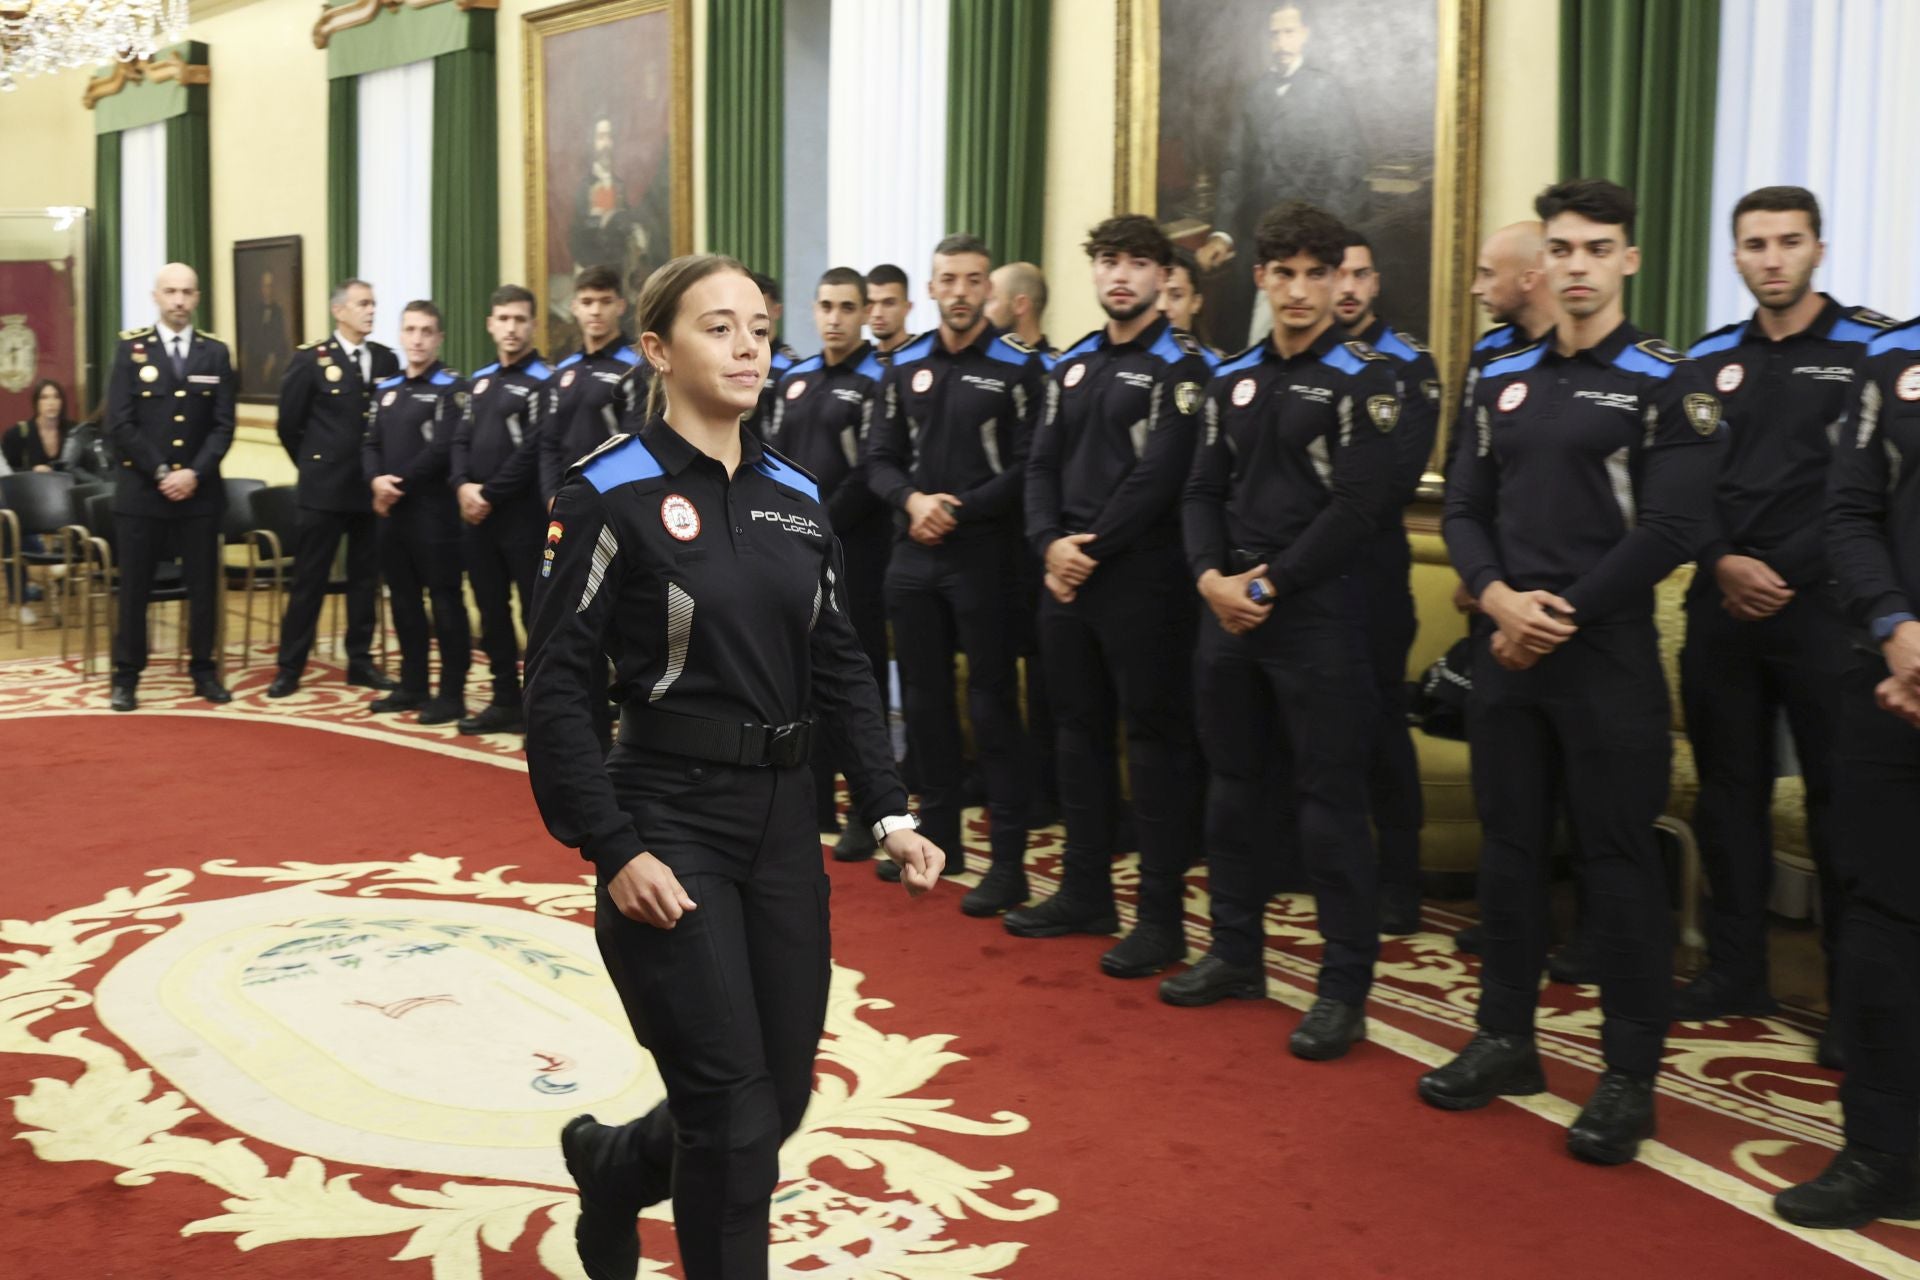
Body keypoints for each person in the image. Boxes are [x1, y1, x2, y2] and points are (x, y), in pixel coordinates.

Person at [523, 254, 945, 1280]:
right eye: (719, 327)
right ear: (659, 351)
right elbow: (556, 686)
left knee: (780, 1096)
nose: (750, 343)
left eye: (759, 324)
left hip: (782, 820)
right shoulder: (609, 492)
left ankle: (615, 1165)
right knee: (728, 1111)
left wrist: (890, 812)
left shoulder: (797, 495)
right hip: (668, 814)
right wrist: (611, 845)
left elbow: (839, 661)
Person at [1424, 178, 1724, 1164]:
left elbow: (1677, 526)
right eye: (1563, 248)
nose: (1580, 265)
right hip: (1508, 652)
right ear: (1543, 259)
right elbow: (1463, 505)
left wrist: (1558, 612)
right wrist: (1497, 596)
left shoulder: (1667, 379)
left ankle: (1629, 1075)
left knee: (1617, 865)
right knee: (1509, 855)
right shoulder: (1501, 369)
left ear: (1629, 260)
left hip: (1605, 659)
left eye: (1599, 248)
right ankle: (1505, 1038)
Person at [1169, 200, 1398, 1063]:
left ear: (1341, 280)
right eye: (1285, 274)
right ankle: (1235, 953)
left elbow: (1360, 508)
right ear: (1261, 279)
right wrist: (1210, 579)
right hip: (1229, 609)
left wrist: (1269, 581)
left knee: (1329, 805)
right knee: (1230, 790)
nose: (1300, 291)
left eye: (1318, 274)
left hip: (1318, 616)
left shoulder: (1364, 381)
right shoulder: (1233, 379)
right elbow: (1200, 490)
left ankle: (1344, 989)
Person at [1678, 187, 1893, 1054]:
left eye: (1788, 242)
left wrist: (1784, 573)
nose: (1772, 258)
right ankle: (1735, 967)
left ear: (1820, 250)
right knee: (1730, 797)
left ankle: (1851, 997)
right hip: (1720, 604)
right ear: (1733, 256)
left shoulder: (1870, 348)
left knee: (1843, 807)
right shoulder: (1703, 357)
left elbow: (1866, 488)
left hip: (1825, 614)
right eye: (1755, 244)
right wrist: (1725, 562)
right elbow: (1680, 484)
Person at [1009, 214, 1211, 978]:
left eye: (1135, 263)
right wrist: (1046, 544)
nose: (1119, 275)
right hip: (1065, 577)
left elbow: (1160, 476)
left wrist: (1085, 549)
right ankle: (1085, 890)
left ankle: (1159, 919)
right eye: (1106, 261)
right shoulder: (1074, 362)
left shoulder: (1180, 366)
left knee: (1155, 749)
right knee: (1074, 735)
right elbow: (1038, 465)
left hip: (1142, 583)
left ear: (1162, 277)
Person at [1772, 310, 1920, 1231]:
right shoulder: (1893, 358)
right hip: (1889, 683)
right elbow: (1850, 511)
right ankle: (1880, 1150)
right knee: (1878, 926)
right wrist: (1896, 629)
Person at [866, 233, 1046, 913]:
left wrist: (958, 510)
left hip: (986, 558)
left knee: (993, 709)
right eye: (950, 280)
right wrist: (913, 501)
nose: (962, 292)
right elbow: (879, 459)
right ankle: (937, 836)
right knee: (925, 702)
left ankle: (1009, 864)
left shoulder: (1020, 367)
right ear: (933, 289)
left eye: (975, 280)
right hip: (913, 556)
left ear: (988, 291)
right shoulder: (903, 362)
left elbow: (1031, 467)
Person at [764, 267, 894, 857]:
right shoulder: (794, 378)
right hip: (792, 550)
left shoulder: (879, 379)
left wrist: (816, 525)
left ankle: (866, 808)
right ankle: (810, 799)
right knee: (798, 677)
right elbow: (769, 459)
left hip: (856, 550)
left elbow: (871, 469)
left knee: (850, 680)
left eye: (847, 307)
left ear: (865, 312)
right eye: (825, 306)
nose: (835, 318)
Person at [1334, 231, 1441, 935]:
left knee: (1378, 732)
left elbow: (1393, 478)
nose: (1345, 287)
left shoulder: (1409, 365)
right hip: (1293, 583)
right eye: (1333, 273)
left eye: (1359, 275)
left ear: (1376, 284)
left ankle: (1400, 882)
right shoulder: (1293, 362)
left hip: (1369, 576)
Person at [1197, 1, 1368, 351]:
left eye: (1289, 32)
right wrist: (1224, 234)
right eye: (1274, 34)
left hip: (1314, 240)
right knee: (1245, 331)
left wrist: (1330, 236)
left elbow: (1346, 165)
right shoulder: (1254, 94)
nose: (1281, 42)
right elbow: (1234, 167)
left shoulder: (1326, 90)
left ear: (1304, 36)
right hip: (1259, 237)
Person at [104, 262, 236, 711]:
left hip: (199, 493)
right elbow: (119, 423)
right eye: (171, 292)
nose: (179, 300)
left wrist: (192, 473)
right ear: (155, 297)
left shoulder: (214, 353)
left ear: (198, 297)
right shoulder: (131, 350)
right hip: (143, 492)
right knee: (135, 589)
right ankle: (127, 675)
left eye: (187, 292)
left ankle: (203, 670)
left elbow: (223, 425)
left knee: (203, 588)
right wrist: (162, 472)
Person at [269, 279, 400, 698]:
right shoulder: (311, 360)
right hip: (323, 490)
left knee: (365, 581)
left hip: (368, 490)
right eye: (362, 304)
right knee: (310, 581)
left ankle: (360, 662)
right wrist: (312, 466)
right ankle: (290, 666)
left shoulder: (385, 360)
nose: (371, 311)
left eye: (374, 304)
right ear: (339, 311)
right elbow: (289, 424)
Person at [452, 284, 554, 736]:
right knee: (490, 612)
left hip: (524, 519)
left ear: (532, 325)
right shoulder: (479, 381)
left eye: (520, 319)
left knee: (535, 616)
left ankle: (543, 709)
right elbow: (458, 440)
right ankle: (503, 699)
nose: (511, 328)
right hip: (477, 520)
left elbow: (534, 450)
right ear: (490, 324)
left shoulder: (545, 381)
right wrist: (461, 487)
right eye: (503, 319)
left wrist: (489, 492)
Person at [362, 300, 470, 723]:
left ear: (439, 337)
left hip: (434, 515)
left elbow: (442, 448)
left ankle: (451, 693)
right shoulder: (386, 389)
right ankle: (412, 685)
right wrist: (375, 482)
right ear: (401, 336)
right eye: (411, 330)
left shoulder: (451, 387)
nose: (418, 339)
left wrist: (395, 486)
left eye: (427, 331)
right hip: (392, 516)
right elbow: (369, 444)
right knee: (403, 602)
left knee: (444, 604)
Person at [541, 266, 642, 504]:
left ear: (620, 306)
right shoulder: (563, 371)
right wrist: (551, 494)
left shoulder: (636, 367)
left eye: (605, 302)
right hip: (565, 497)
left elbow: (637, 441)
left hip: (614, 497)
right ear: (574, 307)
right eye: (587, 302)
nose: (596, 311)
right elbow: (548, 442)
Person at [744, 271, 800, 439]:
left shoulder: (792, 369)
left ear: (777, 311)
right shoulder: (733, 358)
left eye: (760, 309)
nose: (751, 316)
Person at [985, 261, 1054, 362]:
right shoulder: (978, 360)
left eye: (989, 301)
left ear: (1020, 305)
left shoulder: (1053, 369)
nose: (982, 311)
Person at [1160, 246, 1218, 360]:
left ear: (1196, 303)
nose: (1163, 306)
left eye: (1176, 296)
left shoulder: (1214, 367)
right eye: (1155, 295)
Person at [4, 379, 73, 472]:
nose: (51, 403)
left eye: (56, 397)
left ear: (62, 402)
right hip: (29, 485)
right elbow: (5, 471)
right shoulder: (17, 434)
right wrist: (32, 470)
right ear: (36, 403)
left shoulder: (73, 432)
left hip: (68, 485)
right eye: (44, 397)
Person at [242, 268, 292, 391]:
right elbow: (249, 337)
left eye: (270, 286)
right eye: (265, 286)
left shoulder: (278, 311)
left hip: (273, 363)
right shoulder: (254, 310)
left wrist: (271, 359)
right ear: (261, 288)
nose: (268, 290)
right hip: (254, 362)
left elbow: (280, 340)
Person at [866, 263, 917, 360]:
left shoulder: (925, 357)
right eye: (871, 303)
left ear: (907, 308)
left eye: (888, 303)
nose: (877, 314)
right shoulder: (861, 362)